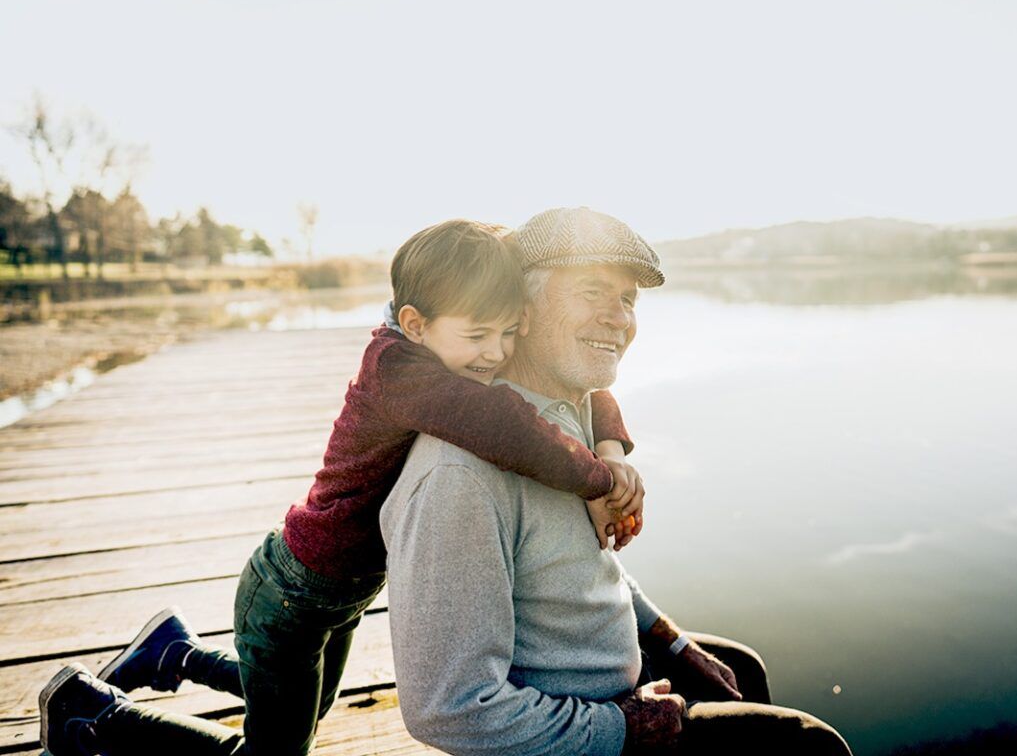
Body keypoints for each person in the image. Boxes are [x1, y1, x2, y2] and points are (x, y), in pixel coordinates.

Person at [37, 218, 647, 756]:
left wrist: (610, 447)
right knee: (277, 746)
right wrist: (596, 480)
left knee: (301, 699)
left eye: (509, 333)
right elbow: (504, 423)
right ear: (415, 323)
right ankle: (93, 713)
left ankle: (176, 654)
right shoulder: (400, 370)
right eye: (481, 335)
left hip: (338, 592)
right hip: (292, 594)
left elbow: (586, 388)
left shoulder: (449, 348)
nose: (496, 354)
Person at [380, 207, 853, 754]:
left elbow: (578, 564)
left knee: (740, 667)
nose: (619, 319)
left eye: (627, 299)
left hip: (620, 676)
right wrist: (623, 728)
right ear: (522, 310)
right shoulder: (459, 475)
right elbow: (447, 708)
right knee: (808, 744)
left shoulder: (563, 419)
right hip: (575, 726)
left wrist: (672, 641)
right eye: (592, 291)